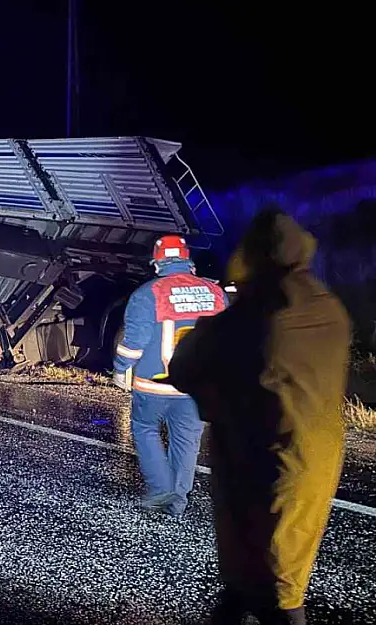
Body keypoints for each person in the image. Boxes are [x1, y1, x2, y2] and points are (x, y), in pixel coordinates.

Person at [167, 209, 350, 625]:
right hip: (314, 456)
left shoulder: (252, 315)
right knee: (282, 568)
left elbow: (186, 366)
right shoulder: (329, 307)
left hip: (255, 456)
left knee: (271, 583)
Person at [112, 234, 227, 517]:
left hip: (154, 384)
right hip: (197, 387)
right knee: (187, 441)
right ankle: (177, 504)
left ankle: (161, 488)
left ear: (157, 263)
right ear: (189, 262)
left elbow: (133, 345)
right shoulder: (216, 294)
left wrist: (120, 369)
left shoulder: (146, 295)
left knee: (145, 429)